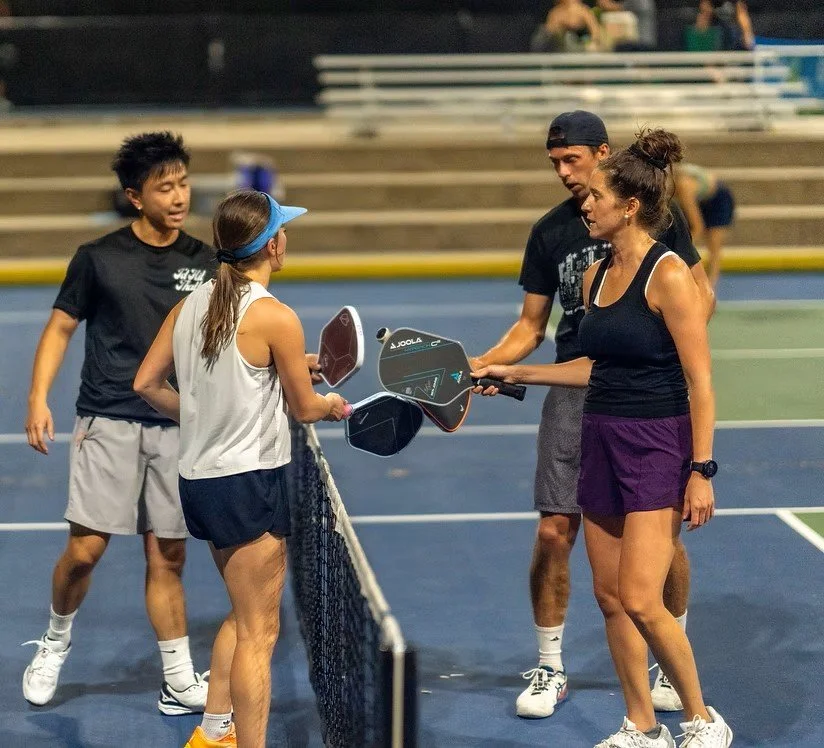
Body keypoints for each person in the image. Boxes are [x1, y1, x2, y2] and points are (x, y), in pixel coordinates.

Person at [472, 128, 733, 748]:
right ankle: (641, 726)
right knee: (611, 597)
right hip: (601, 437)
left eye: (597, 197)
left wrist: (702, 469)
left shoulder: (668, 274)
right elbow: (595, 367)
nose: (585, 204)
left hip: (656, 441)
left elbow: (701, 381)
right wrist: (516, 371)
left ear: (630, 206)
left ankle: (701, 719)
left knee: (644, 598)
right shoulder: (592, 276)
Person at [134, 189, 349, 748]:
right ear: (273, 245)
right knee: (261, 631)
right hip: (252, 483)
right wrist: (330, 404)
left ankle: (211, 732)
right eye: (284, 230)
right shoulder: (276, 315)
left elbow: (146, 384)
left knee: (242, 609)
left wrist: (203, 414)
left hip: (201, 483)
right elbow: (305, 408)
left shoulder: (191, 306)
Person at [22, 132, 212, 714]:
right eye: (165, 187)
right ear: (136, 196)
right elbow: (60, 329)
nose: (178, 196)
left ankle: (178, 680)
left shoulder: (205, 262)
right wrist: (37, 397)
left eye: (182, 182)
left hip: (179, 425)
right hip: (108, 419)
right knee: (85, 551)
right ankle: (55, 642)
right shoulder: (98, 258)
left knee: (169, 557)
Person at [674, 163, 735, 289]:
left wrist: (682, 248)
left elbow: (698, 227)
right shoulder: (670, 186)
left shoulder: (684, 186)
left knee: (714, 245)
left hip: (718, 199)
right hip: (701, 198)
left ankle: (710, 287)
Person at [531, 0, 603, 53]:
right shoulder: (556, 13)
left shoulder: (583, 10)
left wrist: (594, 42)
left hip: (581, 47)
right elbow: (549, 32)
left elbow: (595, 29)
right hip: (560, 49)